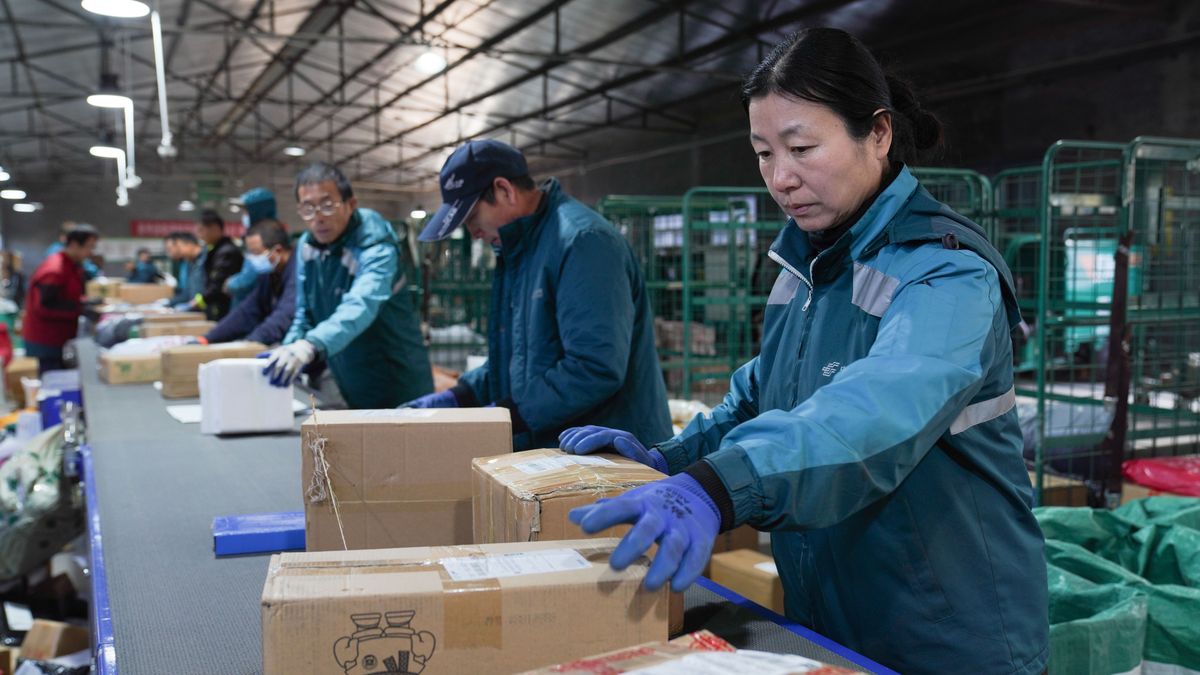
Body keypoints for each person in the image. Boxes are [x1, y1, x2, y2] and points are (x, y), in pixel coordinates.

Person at [560, 28, 1048, 675]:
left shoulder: (947, 276)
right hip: (832, 624)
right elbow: (759, 397)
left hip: (946, 639)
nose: (780, 178)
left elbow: (873, 413)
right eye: (763, 152)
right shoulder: (804, 272)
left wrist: (718, 488)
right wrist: (667, 459)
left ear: (877, 133)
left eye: (801, 147)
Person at [406, 140, 672, 451]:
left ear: (505, 190)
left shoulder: (583, 243)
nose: (472, 232)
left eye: (472, 217)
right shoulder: (520, 250)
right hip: (560, 449)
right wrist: (460, 396)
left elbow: (594, 366)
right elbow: (517, 359)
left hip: (612, 454)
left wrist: (509, 415)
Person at [260, 161, 432, 408]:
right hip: (352, 378)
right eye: (308, 208)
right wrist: (289, 350)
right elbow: (305, 313)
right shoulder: (308, 249)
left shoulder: (376, 248)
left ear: (351, 204)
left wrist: (311, 345)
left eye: (327, 206)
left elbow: (361, 304)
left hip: (397, 380)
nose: (318, 217)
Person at [201, 220, 296, 346]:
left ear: (278, 250)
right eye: (250, 254)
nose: (253, 260)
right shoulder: (270, 274)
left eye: (257, 253)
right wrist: (208, 338)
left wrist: (250, 342)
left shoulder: (298, 272)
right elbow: (248, 310)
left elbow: (284, 315)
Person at [24, 225, 100, 374]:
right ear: (73, 245)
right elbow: (44, 306)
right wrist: (80, 310)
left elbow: (66, 295)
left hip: (59, 336)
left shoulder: (70, 265)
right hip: (47, 338)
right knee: (53, 382)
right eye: (89, 247)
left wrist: (84, 303)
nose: (91, 252)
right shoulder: (54, 269)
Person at [225, 187, 283, 307]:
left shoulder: (267, 235)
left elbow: (255, 273)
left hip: (258, 307)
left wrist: (232, 283)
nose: (244, 216)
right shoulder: (257, 234)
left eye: (246, 211)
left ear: (257, 211)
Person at [188, 209, 243, 321]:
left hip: (225, 308)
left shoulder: (227, 252)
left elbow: (217, 283)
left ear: (215, 228)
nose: (199, 235)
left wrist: (200, 300)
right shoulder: (212, 250)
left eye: (201, 230)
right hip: (215, 306)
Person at [166, 232, 205, 309]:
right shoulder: (190, 263)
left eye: (180, 247)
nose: (179, 251)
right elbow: (188, 291)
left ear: (189, 244)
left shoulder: (205, 259)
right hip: (195, 307)